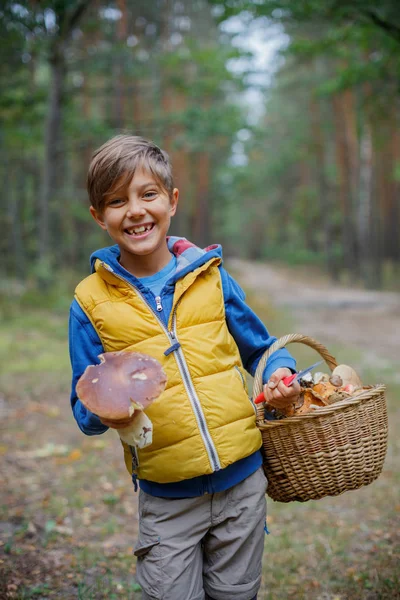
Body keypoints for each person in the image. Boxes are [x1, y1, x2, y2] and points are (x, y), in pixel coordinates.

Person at [69, 134, 300, 600]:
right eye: (116, 201)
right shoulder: (89, 302)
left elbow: (262, 348)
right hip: (166, 499)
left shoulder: (210, 275)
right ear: (99, 217)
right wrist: (105, 412)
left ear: (171, 202)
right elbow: (83, 404)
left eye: (147, 194)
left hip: (242, 487)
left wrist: (280, 374)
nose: (134, 210)